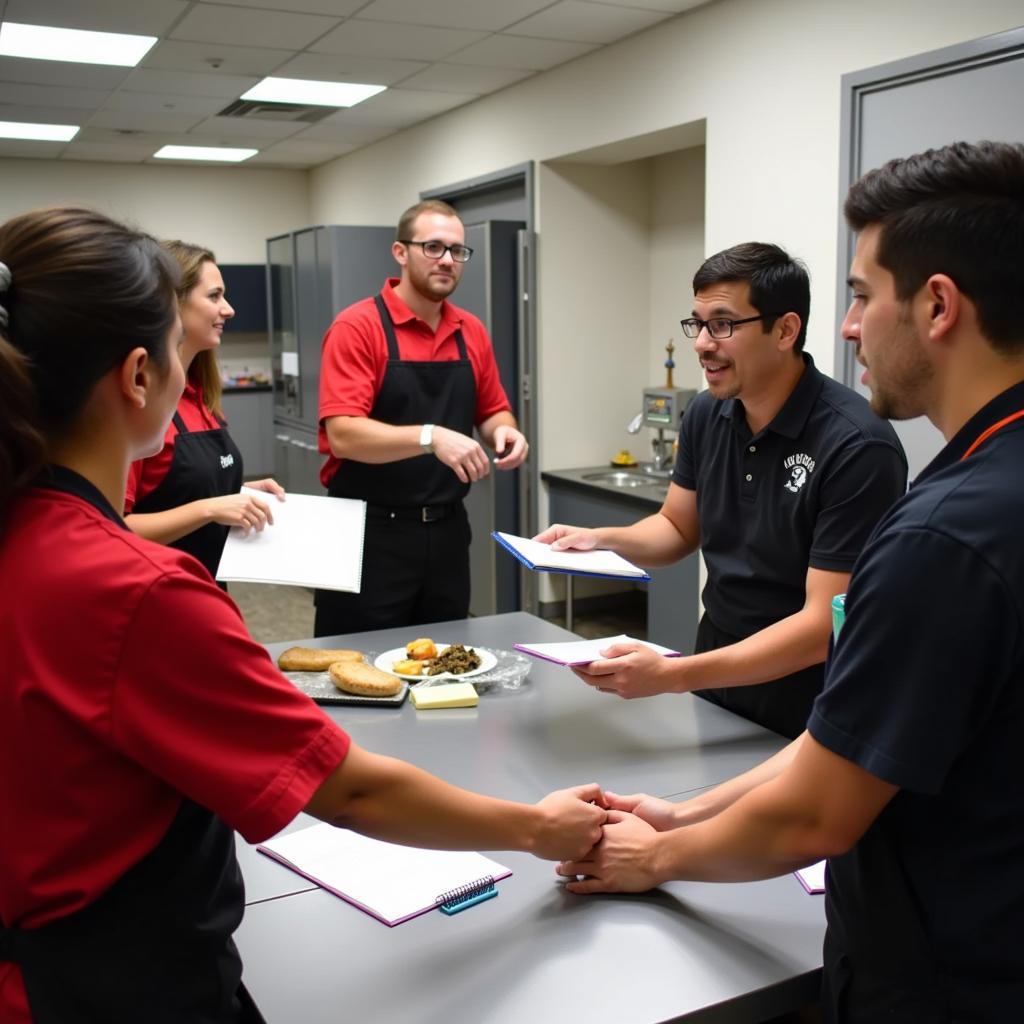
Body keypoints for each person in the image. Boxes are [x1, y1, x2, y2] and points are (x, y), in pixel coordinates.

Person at [0, 207, 605, 1023]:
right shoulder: (141, 592)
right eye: (182, 344)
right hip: (118, 977)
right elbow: (347, 792)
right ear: (140, 376)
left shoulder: (26, 531)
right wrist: (538, 828)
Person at [556, 140, 1024, 1022]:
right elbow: (836, 753)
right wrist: (684, 815)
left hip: (947, 967)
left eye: (860, 295)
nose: (851, 326)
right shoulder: (985, 485)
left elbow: (818, 814)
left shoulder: (937, 533)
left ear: (936, 306)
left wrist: (653, 857)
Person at [535, 242, 907, 738]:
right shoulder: (709, 414)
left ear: (786, 330)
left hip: (804, 686)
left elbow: (821, 625)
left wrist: (671, 674)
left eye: (723, 324)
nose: (702, 343)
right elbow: (676, 527)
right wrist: (601, 539)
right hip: (717, 656)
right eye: (698, 323)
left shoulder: (857, 446)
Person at [314, 199, 528, 637]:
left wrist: (505, 431)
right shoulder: (357, 327)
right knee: (358, 666)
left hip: (446, 532)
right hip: (367, 533)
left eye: (457, 251)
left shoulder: (471, 330)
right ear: (400, 252)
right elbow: (344, 435)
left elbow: (492, 409)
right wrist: (431, 437)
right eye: (433, 247)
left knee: (443, 661)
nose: (447, 260)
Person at [123, 240, 285, 580]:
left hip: (207, 587)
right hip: (157, 594)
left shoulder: (199, 395)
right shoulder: (139, 405)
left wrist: (236, 495)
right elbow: (114, 528)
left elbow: (182, 490)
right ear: (173, 304)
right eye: (214, 296)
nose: (228, 309)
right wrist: (210, 507)